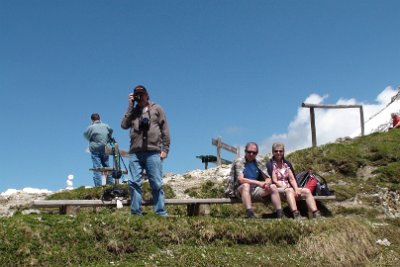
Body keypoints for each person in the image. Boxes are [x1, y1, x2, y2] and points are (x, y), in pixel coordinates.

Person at [121, 85, 170, 216]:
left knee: (156, 183)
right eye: (137, 94)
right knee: (134, 183)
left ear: (147, 95)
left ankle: (160, 212)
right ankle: (136, 213)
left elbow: (165, 129)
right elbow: (124, 125)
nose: (139, 96)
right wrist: (130, 105)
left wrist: (165, 148)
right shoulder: (134, 111)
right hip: (135, 152)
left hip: (153, 151)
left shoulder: (157, 108)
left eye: (141, 94)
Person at [267, 142, 321, 219]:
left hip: (289, 188)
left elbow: (292, 179)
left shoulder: (286, 164)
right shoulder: (270, 164)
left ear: (283, 152)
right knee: (289, 190)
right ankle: (296, 214)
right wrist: (285, 187)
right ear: (273, 152)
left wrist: (296, 189)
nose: (278, 153)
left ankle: (316, 213)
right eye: (276, 151)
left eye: (280, 151)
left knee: (307, 191)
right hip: (278, 189)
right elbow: (274, 180)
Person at [232, 142, 283, 219]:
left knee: (273, 186)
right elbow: (241, 180)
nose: (251, 154)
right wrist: (258, 183)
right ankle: (250, 213)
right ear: (245, 151)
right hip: (239, 190)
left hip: (255, 190)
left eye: (254, 152)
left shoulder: (259, 162)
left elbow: (268, 178)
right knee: (246, 185)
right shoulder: (239, 161)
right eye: (249, 152)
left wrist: (267, 183)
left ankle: (280, 213)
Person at [83, 113, 114, 186]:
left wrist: (91, 139)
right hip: (105, 148)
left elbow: (85, 135)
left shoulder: (91, 127)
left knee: (97, 168)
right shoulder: (106, 125)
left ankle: (98, 186)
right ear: (99, 118)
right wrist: (108, 137)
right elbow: (111, 131)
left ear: (92, 120)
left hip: (95, 149)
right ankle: (110, 184)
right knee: (107, 166)